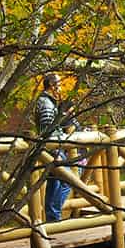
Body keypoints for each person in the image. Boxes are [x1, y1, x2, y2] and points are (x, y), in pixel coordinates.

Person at [36, 73, 72, 221]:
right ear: (52, 85)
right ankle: (54, 215)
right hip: (53, 147)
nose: (61, 87)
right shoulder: (46, 103)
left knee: (55, 182)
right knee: (67, 180)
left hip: (54, 146)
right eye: (60, 83)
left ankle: (53, 216)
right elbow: (47, 128)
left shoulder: (49, 101)